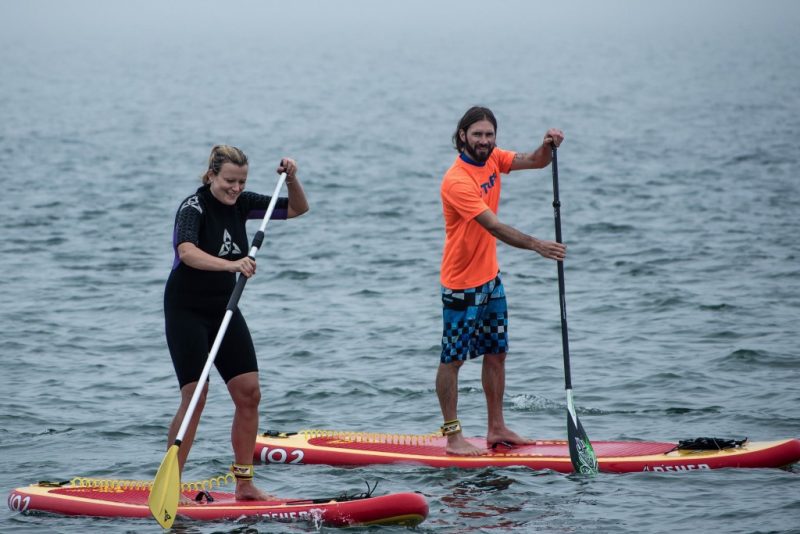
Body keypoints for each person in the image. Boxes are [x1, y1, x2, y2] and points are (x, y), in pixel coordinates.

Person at [163, 144, 309, 500]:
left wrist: (292, 179)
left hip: (225, 308)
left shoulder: (243, 204)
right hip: (186, 310)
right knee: (195, 397)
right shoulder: (193, 207)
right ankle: (172, 484)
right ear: (212, 175)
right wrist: (233, 264)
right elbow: (187, 252)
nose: (236, 188)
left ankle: (244, 484)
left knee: (249, 394)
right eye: (229, 180)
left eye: (242, 182)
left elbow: (298, 208)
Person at [437, 106, 566, 456]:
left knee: (496, 353)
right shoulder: (457, 180)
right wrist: (537, 245)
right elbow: (492, 226)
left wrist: (547, 145)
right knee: (453, 360)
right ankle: (453, 438)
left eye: (489, 134)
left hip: (490, 279)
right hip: (462, 284)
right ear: (462, 135)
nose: (484, 141)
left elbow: (536, 161)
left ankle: (496, 427)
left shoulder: (493, 158)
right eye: (477, 134)